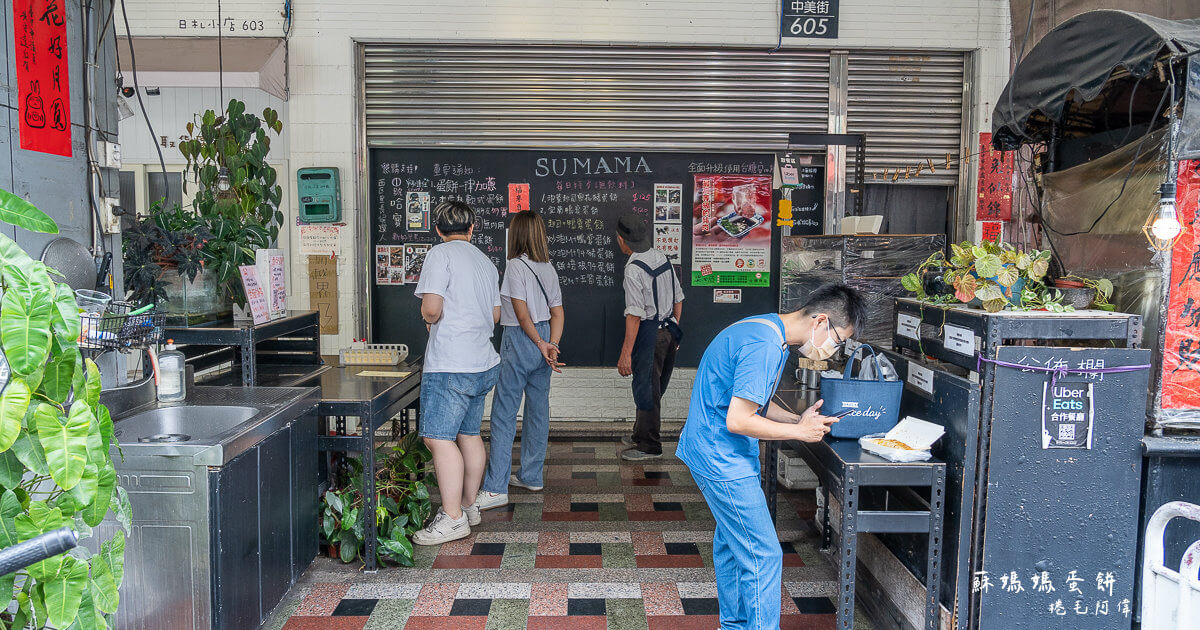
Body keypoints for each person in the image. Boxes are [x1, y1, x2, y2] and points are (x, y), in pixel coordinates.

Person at [675, 283, 865, 629]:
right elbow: (739, 419)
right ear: (821, 321)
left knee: (732, 543)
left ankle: (733, 625)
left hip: (712, 448)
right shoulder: (764, 345)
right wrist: (799, 433)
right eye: (838, 341)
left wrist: (797, 419)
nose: (833, 351)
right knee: (763, 554)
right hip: (721, 456)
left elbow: (756, 401)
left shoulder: (765, 328)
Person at [411, 200, 502, 545]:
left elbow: (432, 309)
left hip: (451, 362)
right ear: (472, 227)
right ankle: (469, 505)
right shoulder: (485, 262)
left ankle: (451, 518)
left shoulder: (440, 255)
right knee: (469, 433)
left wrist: (428, 317)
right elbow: (495, 316)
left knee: (438, 437)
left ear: (438, 230)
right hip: (482, 362)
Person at [476, 211, 566, 511]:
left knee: (504, 413)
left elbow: (521, 313)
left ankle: (496, 487)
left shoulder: (515, 266)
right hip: (544, 338)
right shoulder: (548, 268)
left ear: (516, 234)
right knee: (538, 410)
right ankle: (531, 475)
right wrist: (552, 344)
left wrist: (540, 344)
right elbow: (558, 313)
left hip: (520, 339)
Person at [615, 212, 684, 461]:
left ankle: (649, 445)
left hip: (649, 333)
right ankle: (639, 433)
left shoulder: (633, 269)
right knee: (651, 386)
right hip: (668, 330)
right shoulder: (662, 258)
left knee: (647, 389)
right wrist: (674, 331)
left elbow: (634, 315)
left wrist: (625, 355)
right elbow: (679, 298)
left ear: (623, 240)